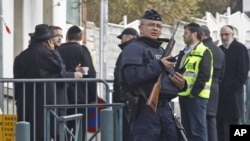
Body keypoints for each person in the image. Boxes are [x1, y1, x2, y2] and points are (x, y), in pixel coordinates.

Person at [120, 9, 185, 141]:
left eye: (158, 26)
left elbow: (167, 79)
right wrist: (159, 65)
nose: (155, 29)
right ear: (140, 28)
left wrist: (181, 84)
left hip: (165, 110)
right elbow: (132, 77)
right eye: (150, 25)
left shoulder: (161, 50)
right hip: (145, 111)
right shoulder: (133, 48)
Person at [13, 24, 83, 141]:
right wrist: (53, 51)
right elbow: (59, 69)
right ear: (47, 41)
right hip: (43, 103)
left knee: (28, 135)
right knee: (46, 134)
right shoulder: (44, 54)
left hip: (24, 103)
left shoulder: (21, 56)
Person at [57, 25, 97, 140]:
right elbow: (91, 73)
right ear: (81, 37)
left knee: (63, 127)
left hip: (62, 96)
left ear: (67, 36)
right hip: (80, 95)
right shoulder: (82, 50)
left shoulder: (58, 50)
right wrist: (92, 96)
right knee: (79, 128)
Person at [176, 23, 213, 141]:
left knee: (197, 131)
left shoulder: (204, 51)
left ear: (194, 34)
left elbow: (204, 75)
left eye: (186, 33)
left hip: (197, 97)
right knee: (186, 131)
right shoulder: (184, 52)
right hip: (184, 95)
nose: (183, 36)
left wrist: (194, 93)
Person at [216, 25, 249, 141]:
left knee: (234, 128)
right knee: (219, 129)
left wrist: (230, 88)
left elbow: (242, 74)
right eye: (222, 35)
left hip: (233, 96)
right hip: (219, 97)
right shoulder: (219, 50)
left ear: (232, 35)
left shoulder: (241, 49)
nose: (224, 37)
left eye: (226, 34)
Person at [113, 27, 138, 141]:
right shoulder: (138, 49)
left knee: (126, 130)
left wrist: (119, 97)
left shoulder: (127, 51)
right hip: (133, 98)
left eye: (122, 38)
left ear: (128, 37)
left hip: (125, 99)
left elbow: (119, 77)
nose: (121, 41)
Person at [201, 25, 225, 141]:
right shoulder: (219, 51)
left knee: (202, 121)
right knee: (211, 119)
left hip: (202, 88)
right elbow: (222, 74)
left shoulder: (202, 49)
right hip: (215, 87)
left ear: (202, 35)